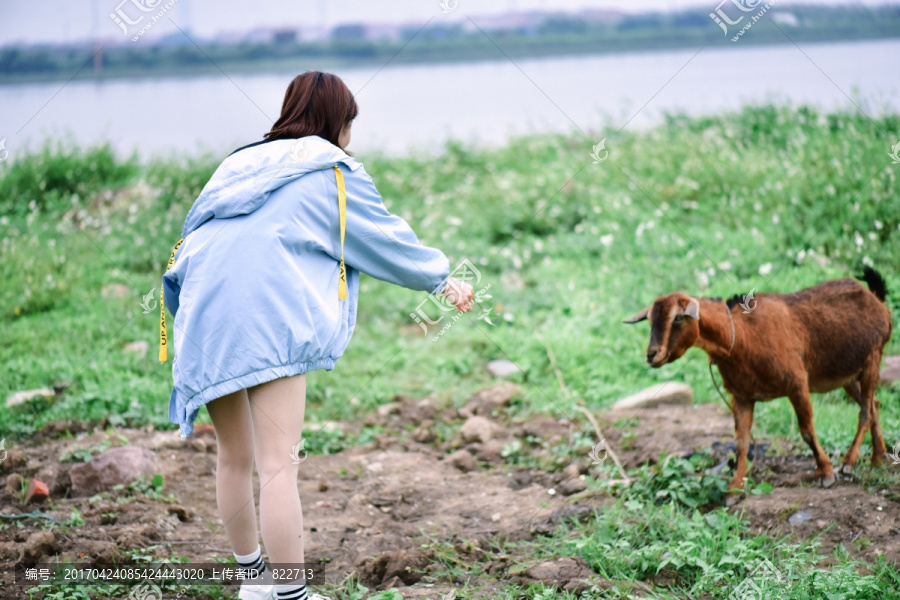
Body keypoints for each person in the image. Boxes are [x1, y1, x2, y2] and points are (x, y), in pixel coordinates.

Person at [160, 71, 474, 600]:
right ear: (339, 122)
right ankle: (291, 594)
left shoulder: (236, 162)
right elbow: (382, 238)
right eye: (350, 123)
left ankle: (254, 582)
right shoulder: (332, 171)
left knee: (234, 457)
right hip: (266, 320)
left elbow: (196, 235)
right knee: (279, 462)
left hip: (203, 314)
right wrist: (441, 280)